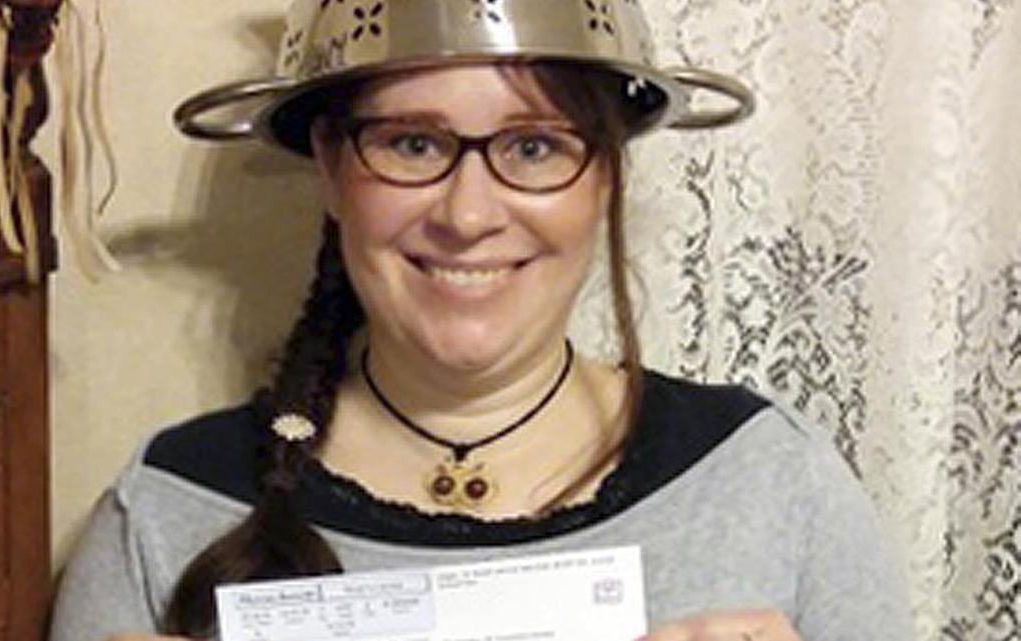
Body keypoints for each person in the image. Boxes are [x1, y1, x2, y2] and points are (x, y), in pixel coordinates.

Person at [48, 1, 913, 640]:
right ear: (330, 164)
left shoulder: (768, 481)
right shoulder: (169, 506)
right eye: (412, 144)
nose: (467, 214)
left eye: (534, 146)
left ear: (607, 171)